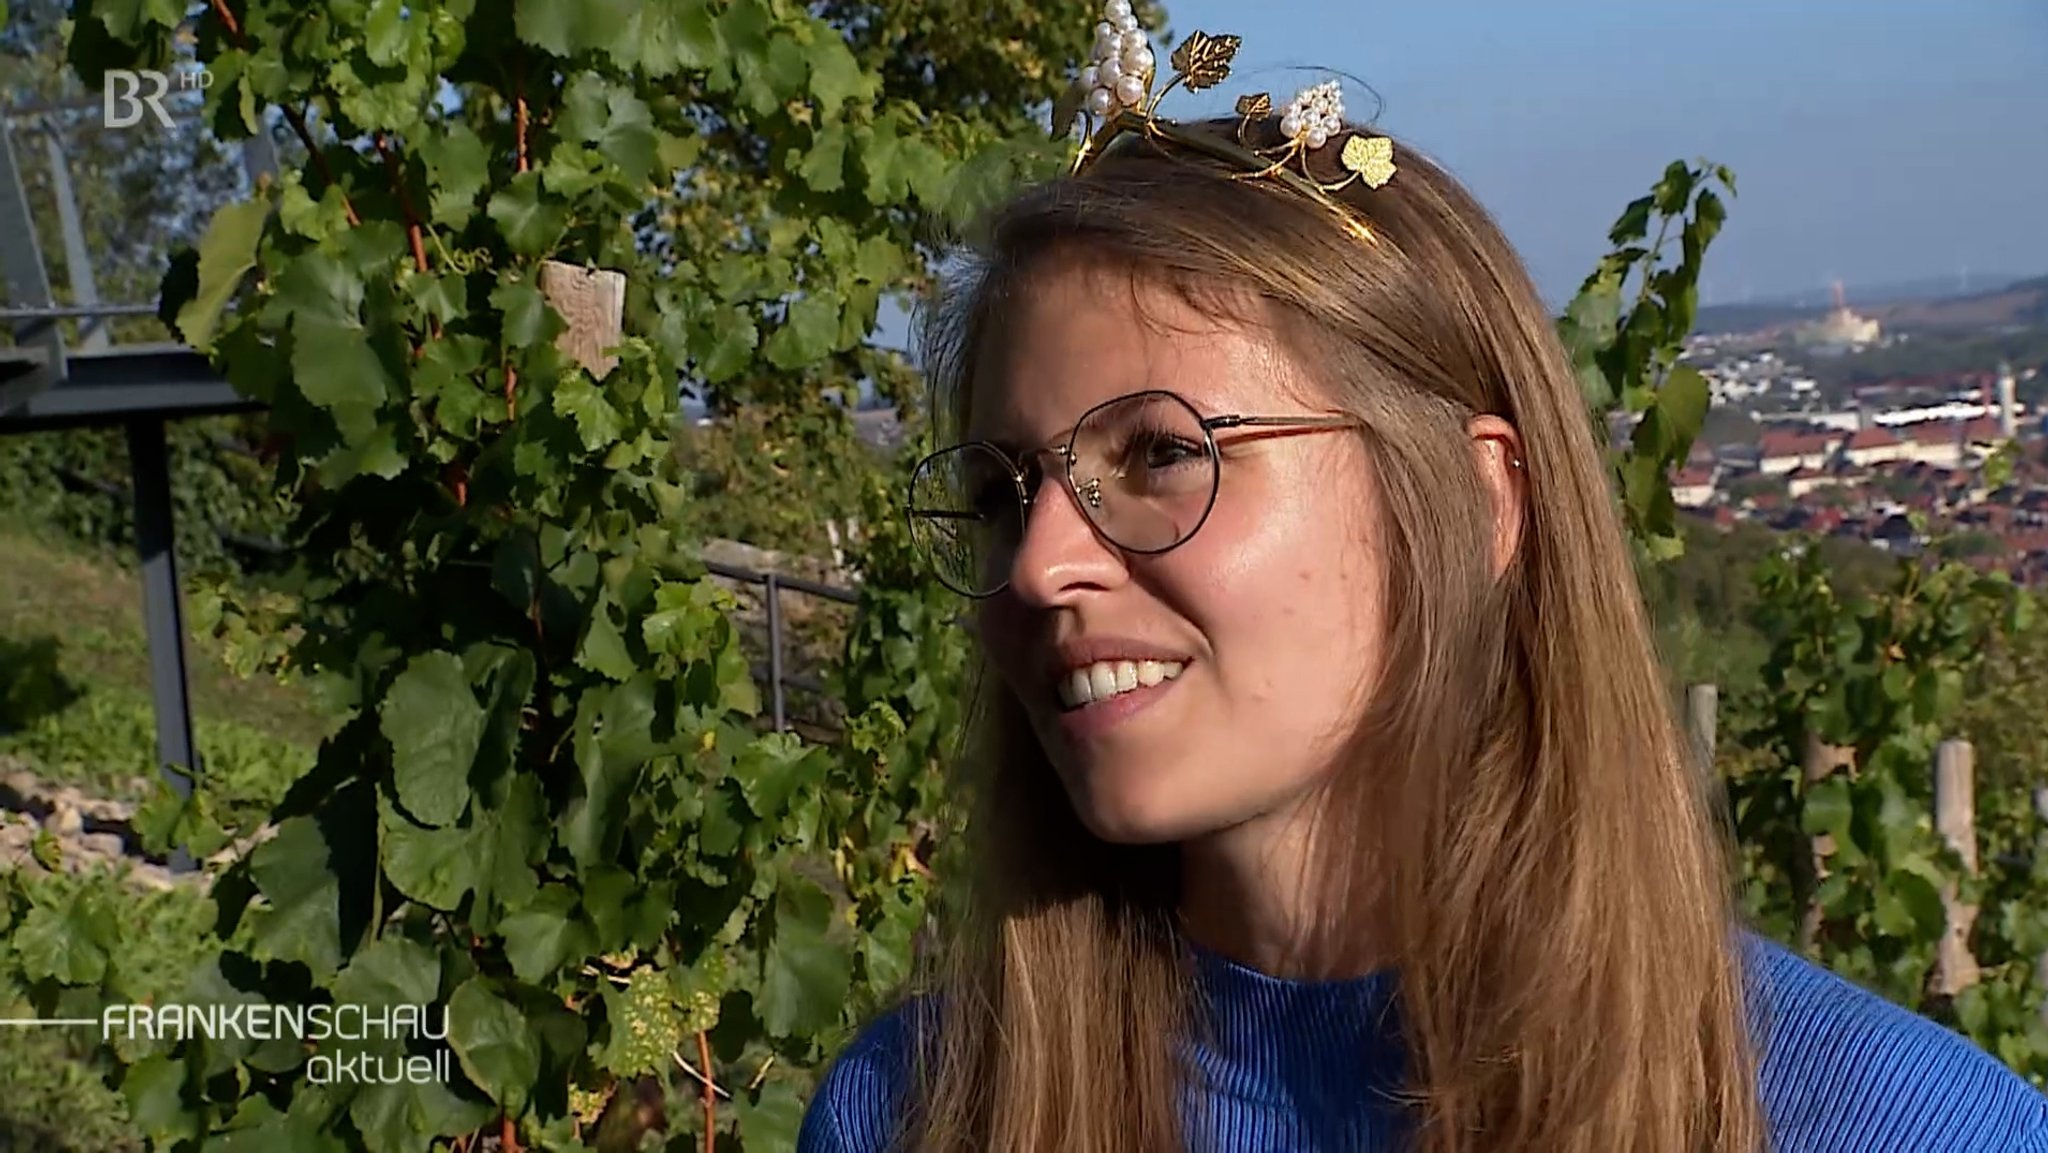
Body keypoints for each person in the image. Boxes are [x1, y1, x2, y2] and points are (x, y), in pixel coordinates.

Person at [796, 11, 2048, 1153]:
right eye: (1000, 491)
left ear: (1477, 502)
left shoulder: (1889, 1124)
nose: (1039, 563)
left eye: (1163, 455)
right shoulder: (915, 1113)